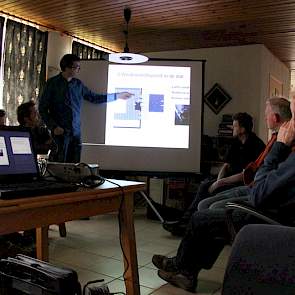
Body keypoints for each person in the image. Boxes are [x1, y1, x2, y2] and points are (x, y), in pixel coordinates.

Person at [152, 98, 295, 292]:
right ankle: (185, 270)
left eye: (293, 118)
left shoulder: (285, 150)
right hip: (271, 205)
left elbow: (258, 191)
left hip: (269, 214)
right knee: (210, 213)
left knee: (203, 218)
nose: (290, 123)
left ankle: (184, 270)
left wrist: (279, 147)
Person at [163, 112, 266, 235]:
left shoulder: (257, 146)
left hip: (242, 183)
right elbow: (226, 165)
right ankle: (187, 222)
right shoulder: (236, 142)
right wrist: (218, 181)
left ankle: (189, 223)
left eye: (235, 126)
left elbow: (245, 175)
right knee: (205, 185)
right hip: (228, 179)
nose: (232, 128)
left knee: (207, 189)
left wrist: (220, 183)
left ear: (243, 129)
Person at [197, 96, 291, 211]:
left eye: (266, 114)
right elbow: (231, 165)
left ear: (275, 118)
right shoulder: (274, 139)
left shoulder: (279, 145)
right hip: (252, 186)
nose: (265, 117)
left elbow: (260, 175)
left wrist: (221, 182)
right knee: (205, 195)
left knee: (209, 206)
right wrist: (219, 181)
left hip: (255, 189)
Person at [38, 54, 132, 163]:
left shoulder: (78, 85)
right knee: (59, 164)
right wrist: (53, 127)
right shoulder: (52, 83)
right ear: (67, 67)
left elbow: (95, 98)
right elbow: (42, 108)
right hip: (60, 133)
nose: (78, 70)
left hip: (76, 133)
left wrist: (117, 96)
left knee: (75, 165)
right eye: (76, 67)